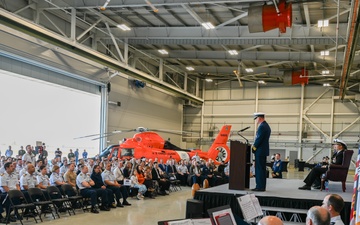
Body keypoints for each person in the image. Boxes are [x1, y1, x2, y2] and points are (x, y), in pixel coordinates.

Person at [251, 112, 271, 191]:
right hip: (263, 151)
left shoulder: (262, 127)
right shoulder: (266, 126)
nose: (256, 120)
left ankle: (259, 186)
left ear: (259, 118)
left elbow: (259, 139)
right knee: (262, 169)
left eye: (256, 119)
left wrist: (254, 147)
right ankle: (262, 186)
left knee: (259, 169)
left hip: (260, 151)